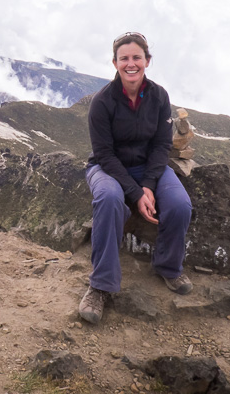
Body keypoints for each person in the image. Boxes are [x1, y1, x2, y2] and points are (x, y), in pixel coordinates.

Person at [78, 31, 193, 325]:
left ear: (147, 61)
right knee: (109, 199)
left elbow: (160, 146)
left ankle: (168, 267)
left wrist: (149, 185)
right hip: (107, 169)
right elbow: (104, 154)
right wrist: (136, 193)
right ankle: (100, 285)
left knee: (180, 205)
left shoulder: (159, 96)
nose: (131, 64)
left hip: (148, 169)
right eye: (124, 58)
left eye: (137, 58)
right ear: (115, 63)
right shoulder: (102, 102)